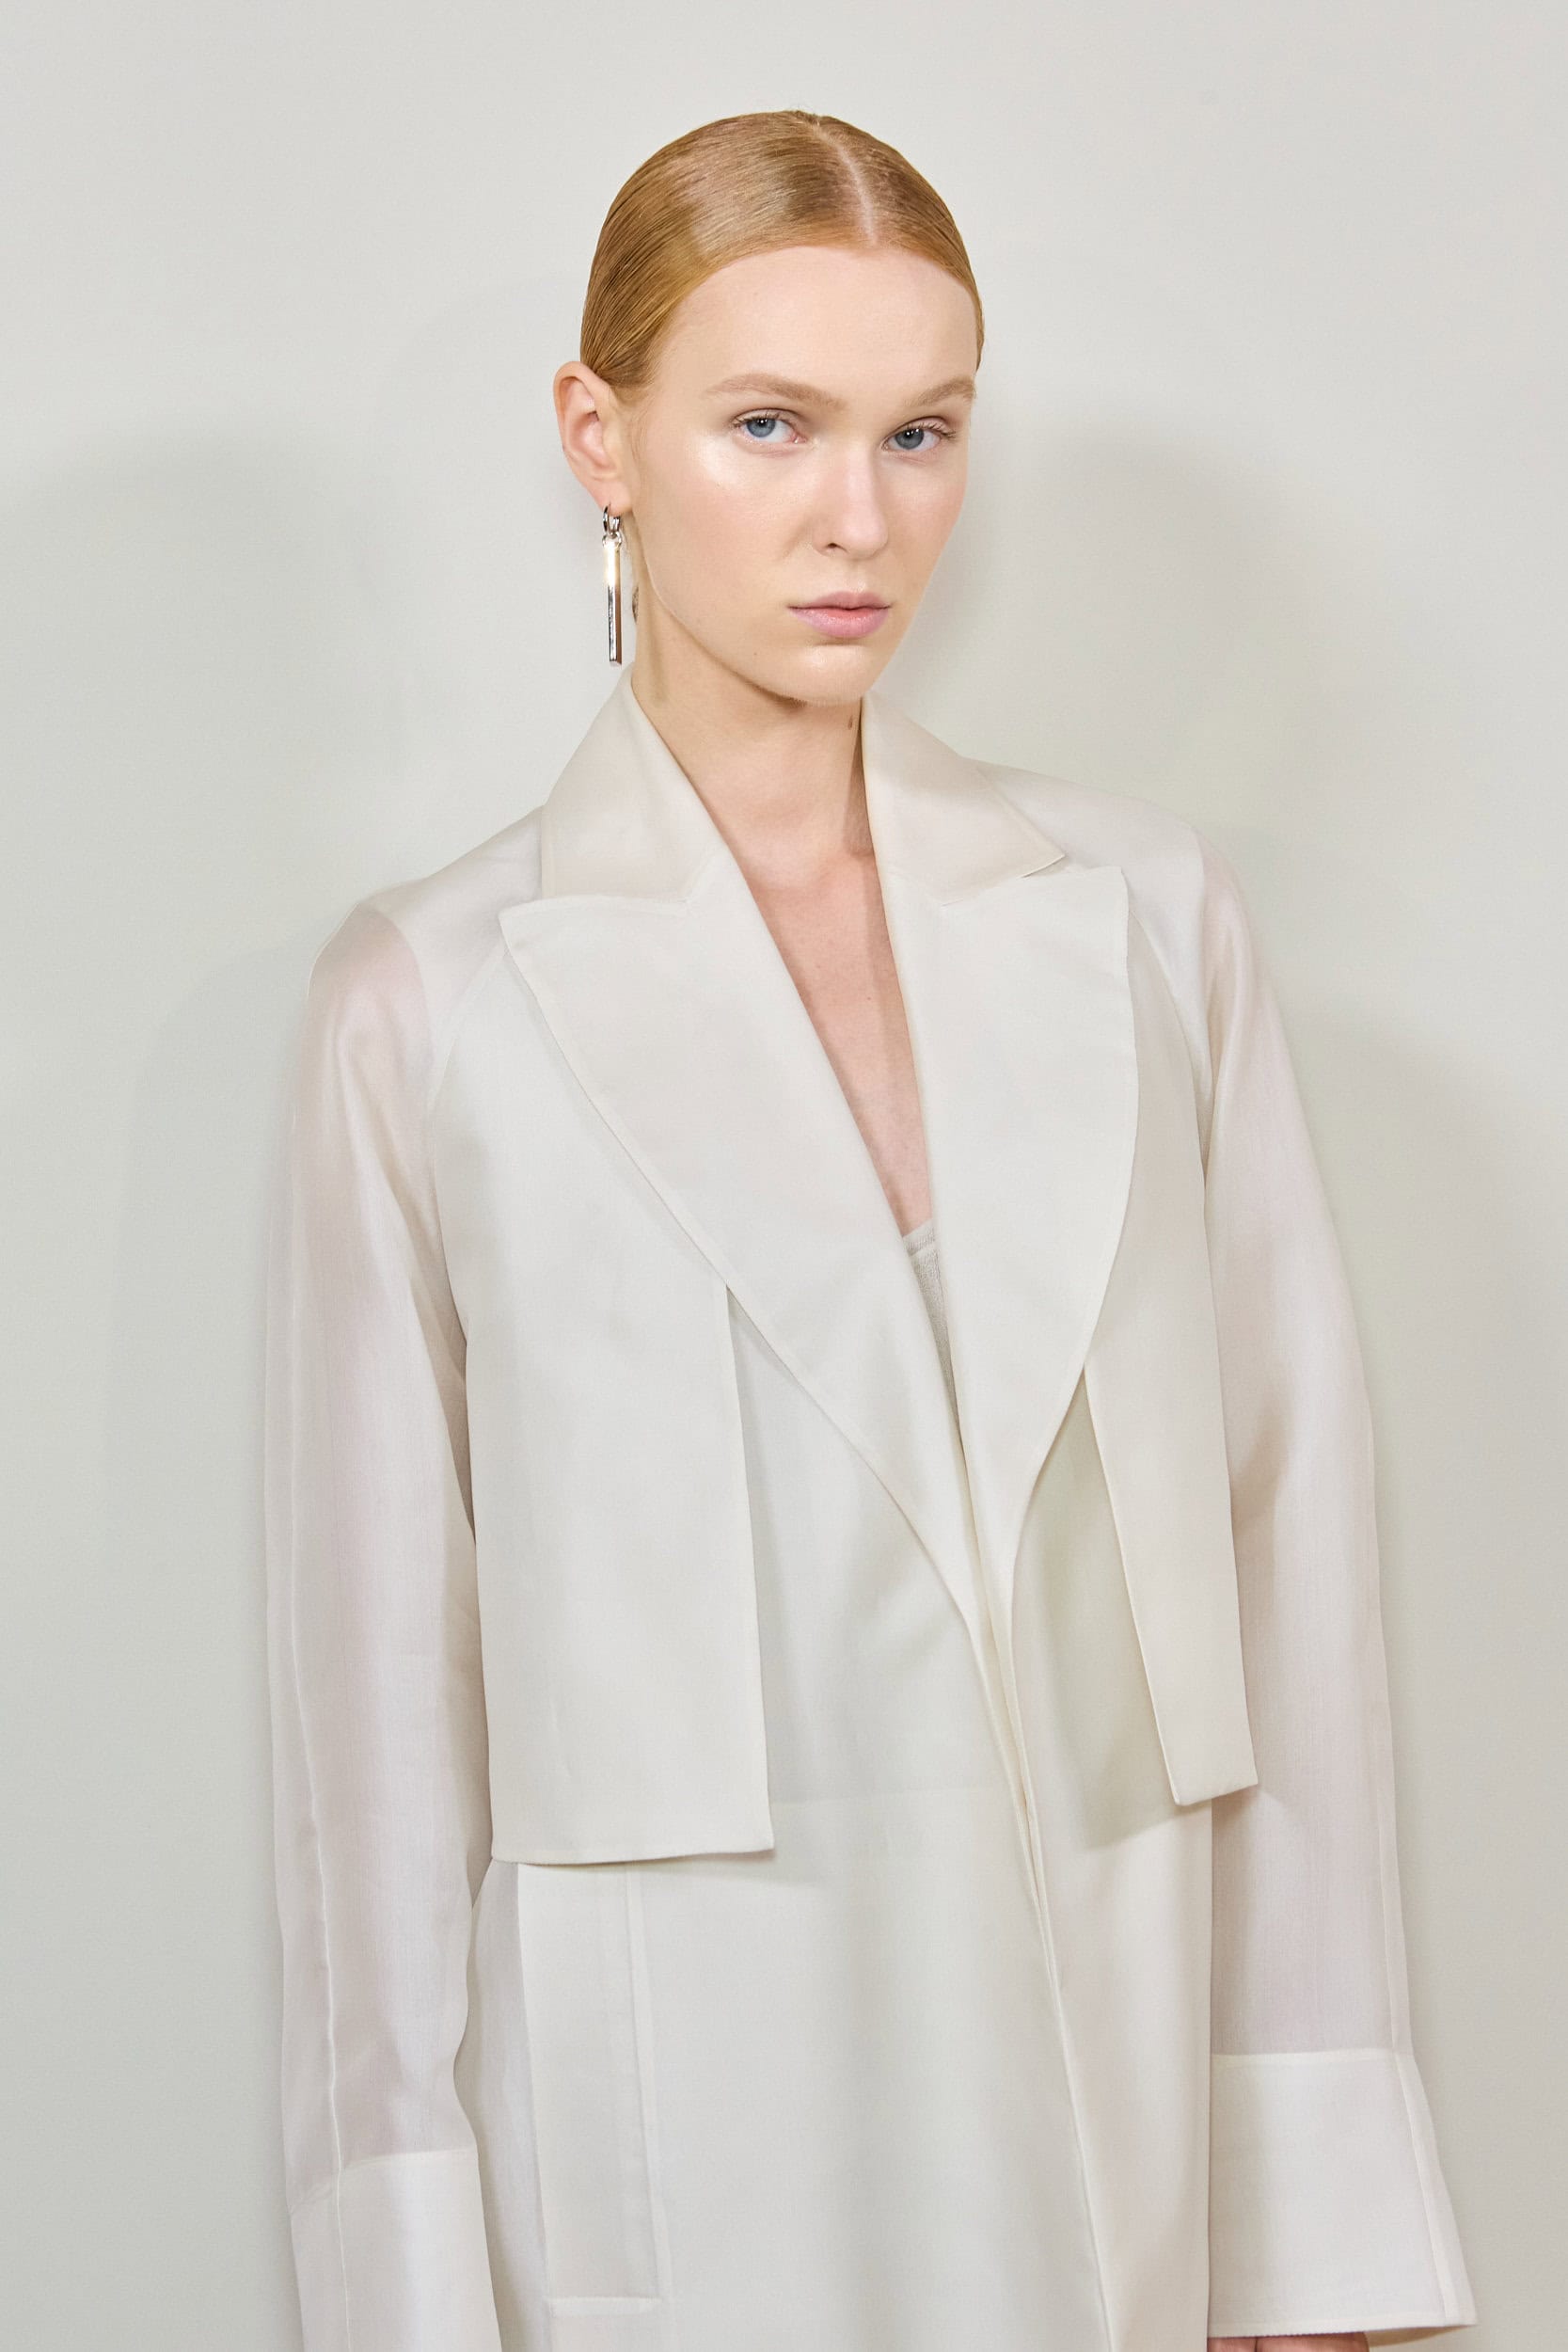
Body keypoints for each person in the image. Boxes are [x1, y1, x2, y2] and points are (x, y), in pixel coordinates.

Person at [262, 108, 1478, 2352]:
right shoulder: (428, 1000)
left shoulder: (1144, 923)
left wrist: (1304, 2240)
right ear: (600, 437)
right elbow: (376, 1736)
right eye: (771, 425)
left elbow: (1289, 1556)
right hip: (679, 2149)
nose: (862, 516)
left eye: (922, 431)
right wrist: (407, 2301)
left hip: (1108, 2101)